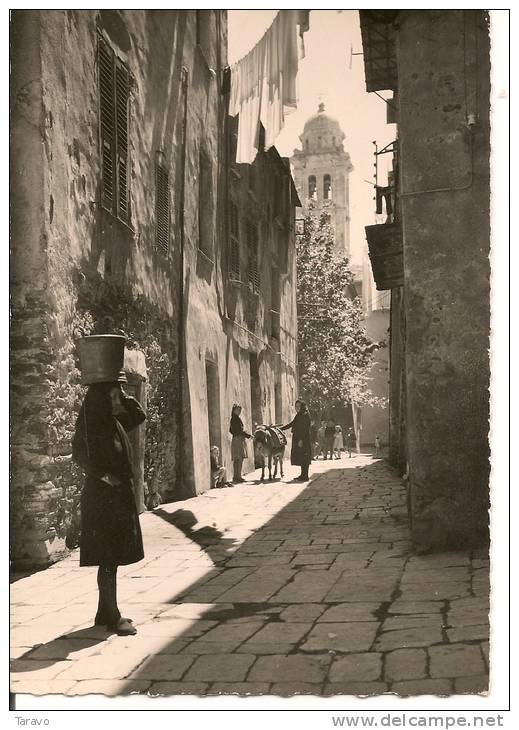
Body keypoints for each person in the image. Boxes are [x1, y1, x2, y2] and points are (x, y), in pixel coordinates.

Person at [72, 381, 146, 636]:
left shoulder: (114, 424)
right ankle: (112, 615)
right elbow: (78, 455)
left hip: (117, 498)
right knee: (107, 558)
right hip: (102, 499)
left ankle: (104, 612)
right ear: (101, 402)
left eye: (118, 398)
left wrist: (122, 394)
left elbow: (139, 414)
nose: (117, 404)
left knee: (111, 559)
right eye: (112, 399)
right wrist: (103, 475)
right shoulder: (93, 428)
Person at [281, 399, 312, 481]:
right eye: (296, 406)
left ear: (302, 406)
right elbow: (292, 424)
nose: (297, 408)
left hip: (303, 439)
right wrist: (281, 429)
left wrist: (301, 440)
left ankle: (305, 476)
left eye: (298, 406)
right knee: (302, 457)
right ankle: (302, 475)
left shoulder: (305, 415)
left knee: (305, 457)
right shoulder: (299, 415)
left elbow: (305, 429)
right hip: (298, 438)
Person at [229, 403, 252, 483]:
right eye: (238, 410)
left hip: (237, 439)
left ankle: (237, 476)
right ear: (234, 410)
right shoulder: (235, 419)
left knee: (238, 459)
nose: (239, 411)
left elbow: (231, 430)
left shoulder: (235, 418)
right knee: (239, 458)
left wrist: (238, 434)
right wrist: (248, 435)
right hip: (238, 440)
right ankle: (237, 477)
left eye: (240, 410)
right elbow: (239, 431)